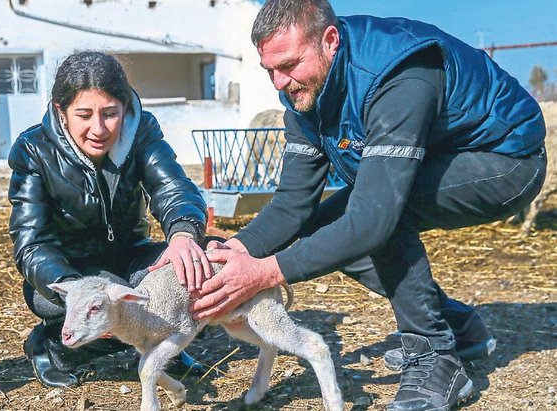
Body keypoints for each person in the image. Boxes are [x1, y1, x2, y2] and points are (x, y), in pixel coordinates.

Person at [187, 1, 547, 410]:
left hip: (506, 160)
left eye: (288, 65)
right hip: (435, 159)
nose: (278, 82)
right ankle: (457, 327)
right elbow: (293, 205)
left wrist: (264, 273)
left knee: (378, 214)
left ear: (330, 41)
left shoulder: (397, 76)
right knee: (328, 227)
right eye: (269, 69)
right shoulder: (306, 93)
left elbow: (374, 219)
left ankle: (434, 357)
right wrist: (236, 250)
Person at [8, 51, 213, 388]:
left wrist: (182, 236)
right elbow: (31, 241)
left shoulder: (141, 130)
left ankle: (163, 347)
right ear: (61, 111)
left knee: (199, 268)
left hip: (131, 254)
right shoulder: (34, 149)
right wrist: (76, 290)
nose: (98, 129)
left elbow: (172, 186)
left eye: (110, 114)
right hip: (72, 270)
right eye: (84, 115)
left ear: (125, 108)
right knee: (116, 304)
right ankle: (54, 349)